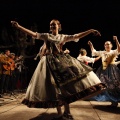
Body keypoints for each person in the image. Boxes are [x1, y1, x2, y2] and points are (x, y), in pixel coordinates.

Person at [11, 19, 106, 120]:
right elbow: (34, 34)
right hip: (48, 63)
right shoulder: (46, 36)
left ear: (58, 26)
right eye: (51, 25)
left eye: (54, 25)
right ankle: (60, 113)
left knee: (65, 87)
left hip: (61, 62)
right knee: (53, 89)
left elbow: (76, 36)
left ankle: (67, 111)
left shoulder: (63, 37)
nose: (52, 27)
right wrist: (19, 27)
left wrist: (90, 30)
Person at [88, 36, 120, 107]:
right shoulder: (102, 52)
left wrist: (116, 40)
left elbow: (119, 49)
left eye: (108, 44)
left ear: (111, 45)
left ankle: (115, 100)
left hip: (112, 71)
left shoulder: (113, 52)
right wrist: (91, 45)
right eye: (106, 44)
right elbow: (94, 52)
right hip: (103, 70)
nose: (107, 45)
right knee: (105, 85)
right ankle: (112, 100)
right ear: (104, 46)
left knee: (114, 85)